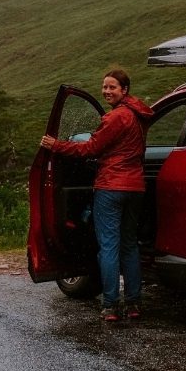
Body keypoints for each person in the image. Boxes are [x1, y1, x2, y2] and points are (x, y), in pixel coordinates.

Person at [39, 66, 154, 322]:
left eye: (112, 87)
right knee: (129, 246)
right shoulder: (139, 115)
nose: (106, 91)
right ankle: (134, 303)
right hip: (135, 187)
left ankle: (111, 305)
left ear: (124, 90)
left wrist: (56, 145)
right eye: (104, 87)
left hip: (111, 187)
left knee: (109, 247)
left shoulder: (115, 118)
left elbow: (90, 148)